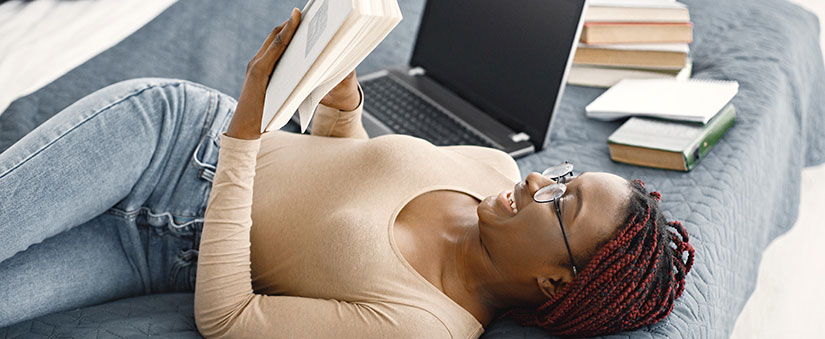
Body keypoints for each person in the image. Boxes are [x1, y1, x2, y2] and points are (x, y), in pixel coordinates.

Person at [0, 8, 694, 338]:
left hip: (161, 247)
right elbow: (347, 163)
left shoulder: (426, 325)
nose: (538, 182)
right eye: (560, 175)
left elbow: (230, 316)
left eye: (560, 203)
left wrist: (248, 133)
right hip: (169, 137)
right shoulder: (487, 168)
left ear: (553, 280)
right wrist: (342, 103)